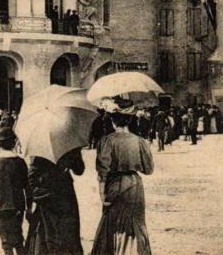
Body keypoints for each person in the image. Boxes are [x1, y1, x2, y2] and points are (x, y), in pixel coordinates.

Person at [91, 106, 154, 255]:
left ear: (113, 121)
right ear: (130, 120)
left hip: (114, 185)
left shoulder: (106, 141)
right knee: (135, 223)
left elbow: (102, 170)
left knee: (113, 224)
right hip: (135, 186)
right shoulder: (140, 141)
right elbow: (149, 170)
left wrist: (101, 194)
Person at [26, 148, 85, 255]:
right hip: (63, 196)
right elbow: (79, 170)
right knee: (64, 233)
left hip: (51, 197)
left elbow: (31, 177)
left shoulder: (40, 146)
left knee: (50, 234)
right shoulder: (70, 144)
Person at [0, 127, 30, 255]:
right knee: (18, 239)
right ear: (14, 142)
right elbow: (27, 187)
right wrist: (29, 206)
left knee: (6, 242)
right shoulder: (20, 162)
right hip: (17, 206)